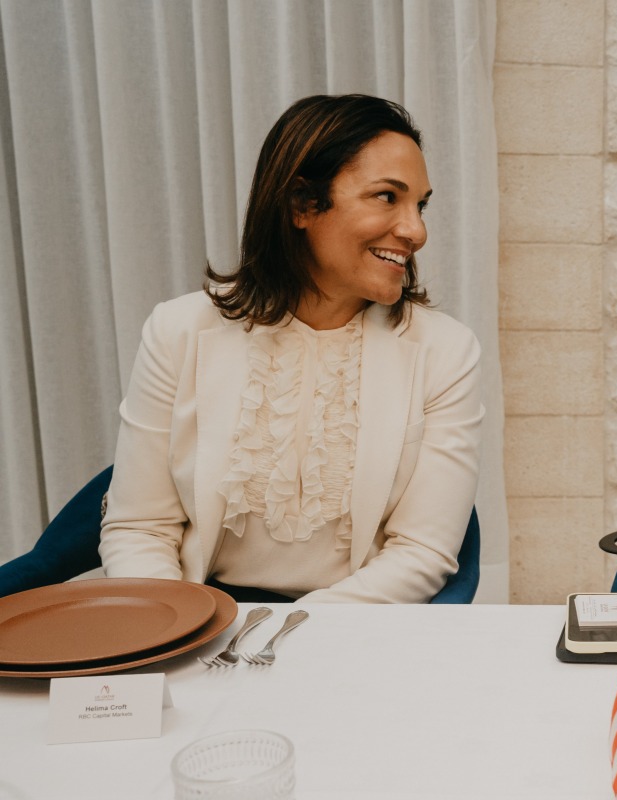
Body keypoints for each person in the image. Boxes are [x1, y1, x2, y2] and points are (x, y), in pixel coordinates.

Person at [99, 94, 483, 603]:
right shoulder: (178, 330)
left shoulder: (446, 351)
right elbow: (139, 529)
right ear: (302, 205)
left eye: (420, 204)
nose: (416, 230)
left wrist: (287, 640)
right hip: (200, 624)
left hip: (357, 631)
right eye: (388, 197)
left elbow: (422, 552)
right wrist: (182, 630)